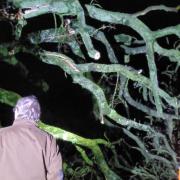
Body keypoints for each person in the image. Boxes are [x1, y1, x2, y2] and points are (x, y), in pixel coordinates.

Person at [0, 95, 63, 180]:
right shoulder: (48, 139)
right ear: (38, 115)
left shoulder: (2, 134)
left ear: (17, 111)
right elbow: (56, 175)